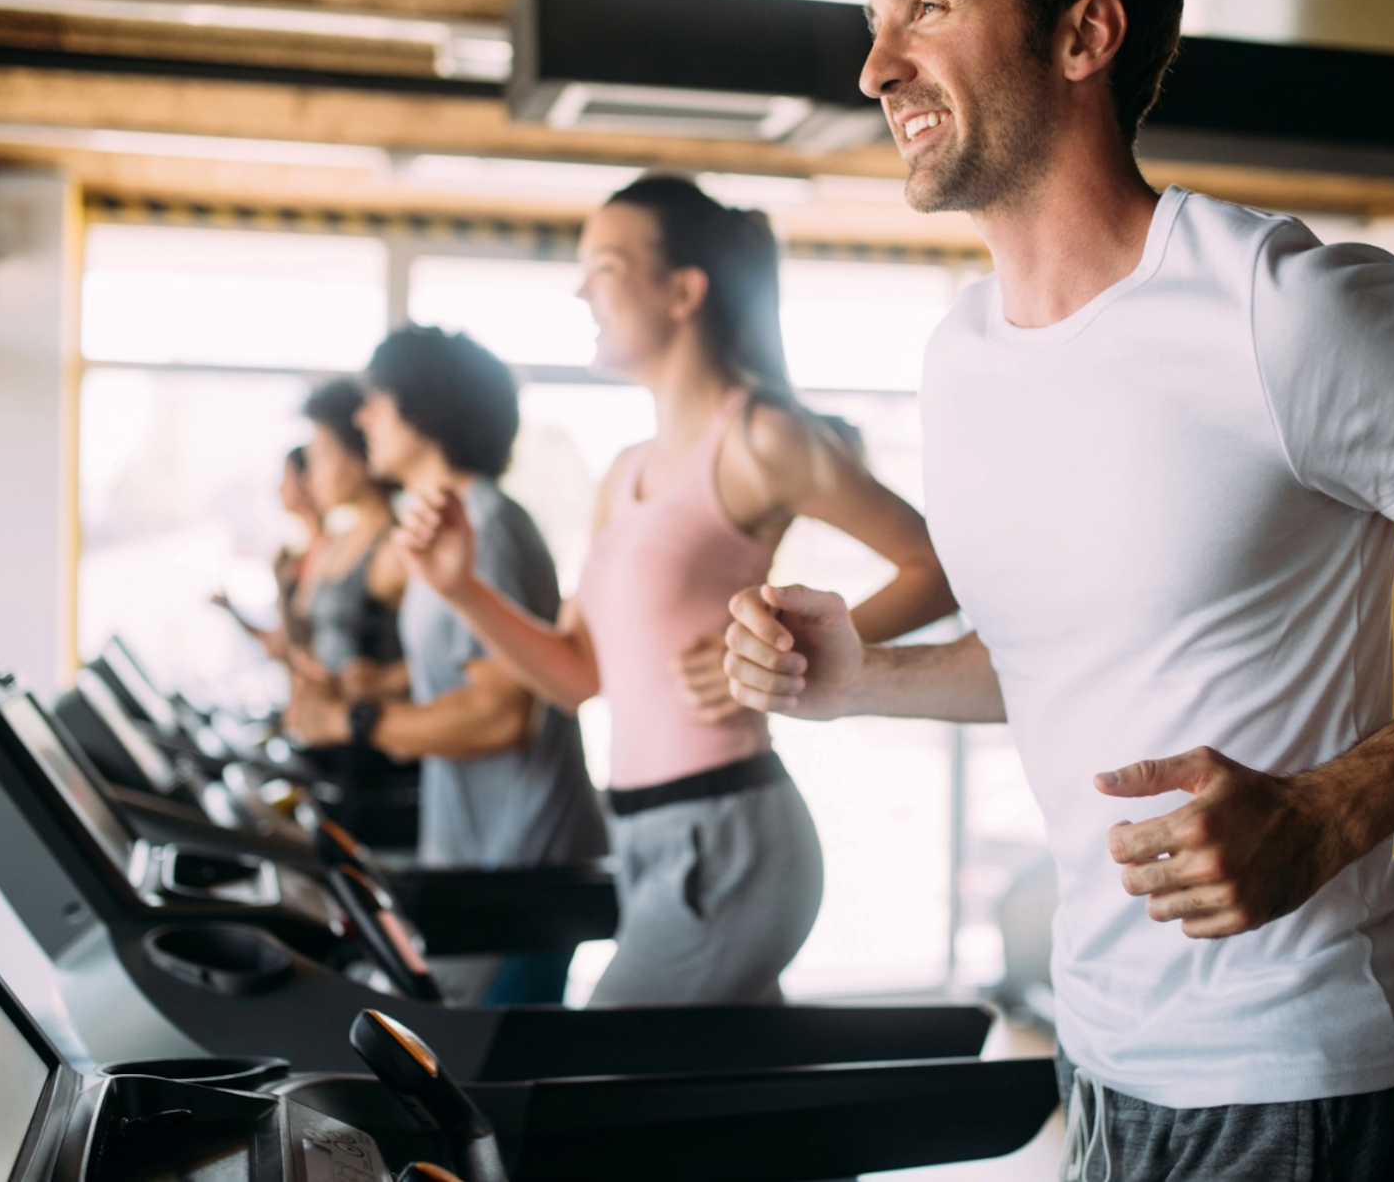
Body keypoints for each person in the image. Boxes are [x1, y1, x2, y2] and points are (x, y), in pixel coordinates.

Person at [719, 0, 1394, 1182]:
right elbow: (1062, 665)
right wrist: (858, 676)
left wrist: (1333, 810)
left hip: (1304, 1085)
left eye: (927, 7)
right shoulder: (964, 356)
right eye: (878, 19)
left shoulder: (1285, 311)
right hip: (1102, 1065)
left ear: (1083, 37)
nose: (876, 66)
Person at [399, 177, 958, 1006]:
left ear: (684, 291)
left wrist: (797, 650)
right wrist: (462, 587)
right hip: (644, 836)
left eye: (606, 267)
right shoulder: (622, 474)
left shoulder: (760, 438)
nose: (581, 289)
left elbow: (937, 567)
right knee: (713, 1104)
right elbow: (576, 676)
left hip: (728, 835)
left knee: (601, 1072)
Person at [286, 326, 607, 1005]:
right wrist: (382, 682)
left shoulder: (484, 528)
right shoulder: (443, 523)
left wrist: (352, 718)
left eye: (378, 401)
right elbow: (476, 663)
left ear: (425, 412)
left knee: (501, 1074)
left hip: (519, 861)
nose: (363, 416)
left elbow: (500, 714)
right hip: (480, 847)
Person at [290, 377, 416, 847]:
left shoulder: (396, 547)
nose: (311, 473)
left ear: (358, 456)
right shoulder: (337, 543)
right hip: (333, 749)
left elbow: (442, 659)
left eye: (322, 454)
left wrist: (383, 681)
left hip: (379, 757)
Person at [214, 444, 323, 658]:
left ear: (308, 480)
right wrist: (233, 611)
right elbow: (280, 646)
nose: (279, 489)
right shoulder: (294, 556)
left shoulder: (328, 554)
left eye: (286, 479)